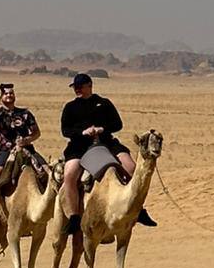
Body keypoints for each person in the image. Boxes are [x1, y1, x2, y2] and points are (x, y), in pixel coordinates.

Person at [59, 74, 157, 236]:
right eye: (75, 87)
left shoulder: (103, 103)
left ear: (89, 86)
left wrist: (101, 129)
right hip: (79, 146)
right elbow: (65, 130)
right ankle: (74, 217)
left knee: (132, 169)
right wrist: (82, 132)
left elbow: (117, 124)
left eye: (80, 86)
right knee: (69, 175)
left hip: (106, 142)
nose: (77, 90)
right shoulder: (70, 107)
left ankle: (138, 210)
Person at [0, 84, 42, 223]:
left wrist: (27, 140)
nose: (9, 95)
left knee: (46, 171)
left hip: (26, 149)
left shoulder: (25, 114)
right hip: (5, 151)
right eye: (6, 94)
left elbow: (36, 133)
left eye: (11, 93)